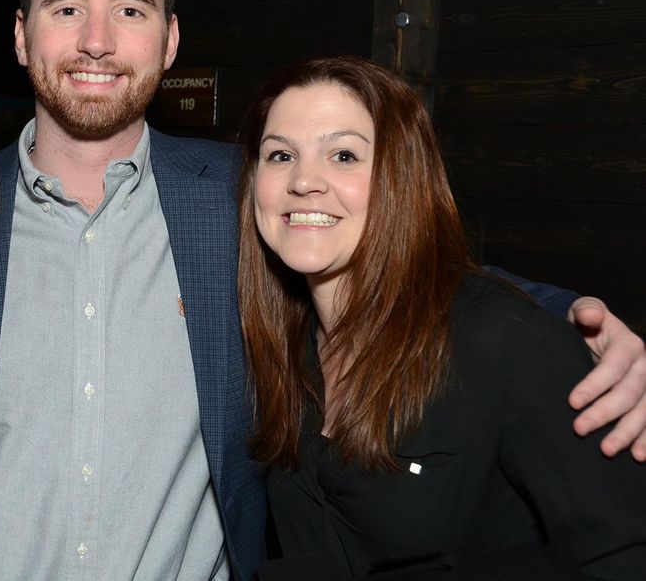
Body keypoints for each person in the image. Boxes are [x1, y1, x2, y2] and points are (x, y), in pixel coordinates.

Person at [0, 0, 646, 581]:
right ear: (22, 35)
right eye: (67, 8)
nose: (97, 39)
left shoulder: (241, 195)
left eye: (130, 8)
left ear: (170, 39)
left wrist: (582, 318)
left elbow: (399, 252)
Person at [239, 57, 646, 579]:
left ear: (401, 177)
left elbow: (623, 551)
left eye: (343, 155)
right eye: (280, 155)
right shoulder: (285, 351)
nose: (304, 181)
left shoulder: (502, 342)